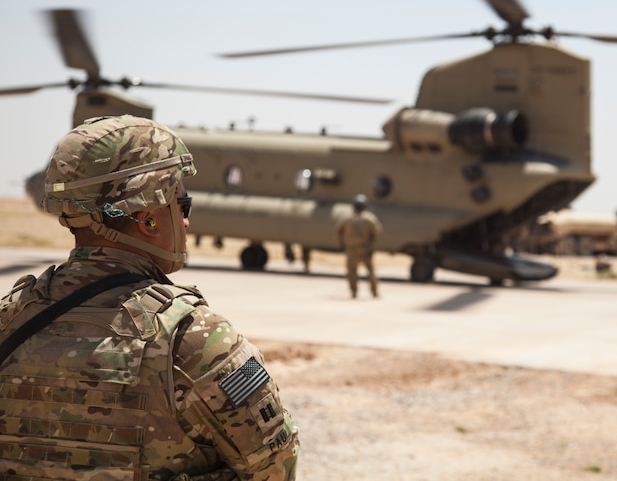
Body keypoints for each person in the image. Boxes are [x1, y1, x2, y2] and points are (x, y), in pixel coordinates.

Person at [0, 115, 299, 479]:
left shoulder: (11, 316)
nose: (186, 222)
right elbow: (276, 467)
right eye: (182, 206)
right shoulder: (195, 338)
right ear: (149, 221)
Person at [336, 194, 382, 298]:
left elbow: (338, 231)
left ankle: (354, 292)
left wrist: (342, 244)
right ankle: (374, 292)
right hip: (365, 248)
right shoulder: (369, 218)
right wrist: (372, 246)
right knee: (370, 271)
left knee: (352, 271)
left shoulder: (347, 218)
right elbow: (377, 232)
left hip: (351, 248)